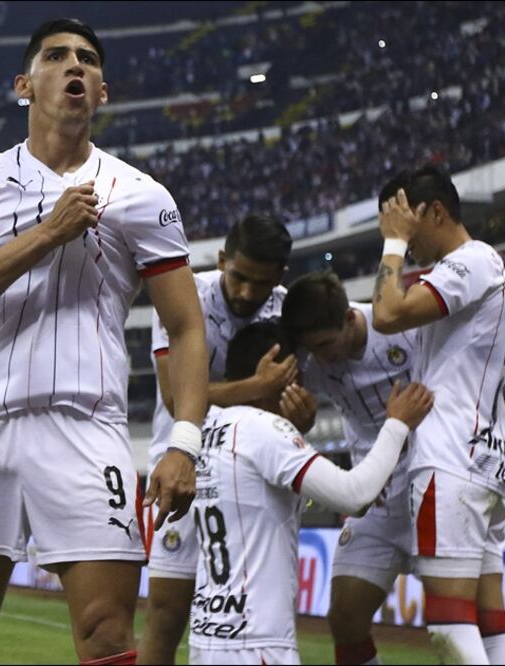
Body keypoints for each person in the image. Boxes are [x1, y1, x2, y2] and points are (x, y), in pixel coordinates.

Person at [0, 18, 209, 666]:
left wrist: (183, 444)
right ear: (25, 84)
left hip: (84, 425)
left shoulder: (142, 196)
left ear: (102, 90)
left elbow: (186, 327)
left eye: (86, 59)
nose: (73, 66)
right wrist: (47, 235)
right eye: (56, 56)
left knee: (108, 633)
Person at [188, 323, 434, 665]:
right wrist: (397, 424)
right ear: (272, 370)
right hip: (257, 642)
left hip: (207, 639)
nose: (302, 388)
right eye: (295, 376)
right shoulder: (264, 430)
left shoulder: (207, 427)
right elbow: (355, 496)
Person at [371, 165, 505, 664]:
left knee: (448, 624)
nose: (406, 243)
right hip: (483, 463)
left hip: (451, 460)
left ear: (435, 211)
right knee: (488, 621)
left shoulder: (471, 261)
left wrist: (392, 245)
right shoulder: (479, 268)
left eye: (408, 227)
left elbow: (388, 314)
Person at [138, 215, 301, 665]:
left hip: (255, 478)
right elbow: (175, 398)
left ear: (280, 278)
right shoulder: (183, 296)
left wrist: (299, 413)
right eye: (239, 277)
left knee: (259, 614)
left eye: (261, 284)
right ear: (222, 259)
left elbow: (289, 402)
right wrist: (255, 387)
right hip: (182, 466)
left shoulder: (287, 311)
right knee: (167, 615)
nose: (248, 293)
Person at [280, 175, 417, 666]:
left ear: (347, 319)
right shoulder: (315, 359)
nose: (319, 359)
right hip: (374, 501)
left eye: (323, 345)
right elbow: (297, 418)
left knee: (454, 623)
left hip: (428, 489)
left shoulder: (398, 327)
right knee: (345, 619)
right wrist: (302, 417)